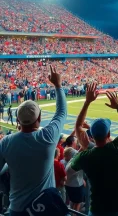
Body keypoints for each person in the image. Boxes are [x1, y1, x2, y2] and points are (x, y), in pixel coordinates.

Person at [0, 66, 68, 215]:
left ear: (18, 120)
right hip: (45, 206)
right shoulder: (47, 137)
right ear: (39, 119)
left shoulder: (6, 142)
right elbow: (62, 113)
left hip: (17, 208)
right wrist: (57, 85)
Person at [71, 84, 118, 216]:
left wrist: (87, 102)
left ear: (91, 134)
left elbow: (78, 126)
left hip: (97, 210)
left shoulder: (85, 155)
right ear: (108, 135)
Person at [64, 147, 85, 213]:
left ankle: (72, 213)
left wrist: (83, 146)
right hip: (76, 186)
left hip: (69, 185)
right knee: (78, 203)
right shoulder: (75, 165)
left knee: (73, 201)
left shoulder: (72, 161)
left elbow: (77, 153)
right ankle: (75, 214)